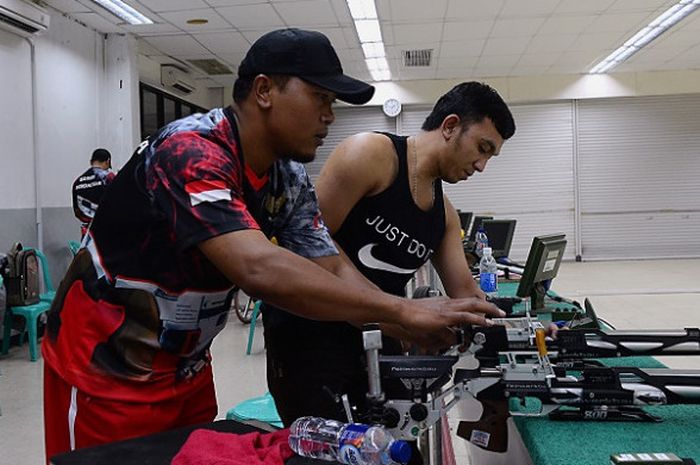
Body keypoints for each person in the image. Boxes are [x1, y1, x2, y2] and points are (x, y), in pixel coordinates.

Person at [41, 29, 502, 461]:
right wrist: (402, 312)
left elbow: (331, 265)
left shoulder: (287, 177)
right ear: (264, 91)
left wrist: (397, 320)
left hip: (185, 371)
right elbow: (256, 266)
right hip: (106, 370)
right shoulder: (191, 149)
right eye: (320, 98)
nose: (329, 115)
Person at [263, 82, 516, 428]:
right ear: (451, 126)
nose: (482, 165)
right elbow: (308, 245)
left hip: (375, 344)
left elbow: (468, 296)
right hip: (310, 339)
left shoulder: (444, 216)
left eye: (490, 155)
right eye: (482, 147)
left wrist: (518, 328)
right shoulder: (372, 156)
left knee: (392, 445)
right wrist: (403, 316)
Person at [71, 148, 116, 237]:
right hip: (108, 231)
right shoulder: (109, 178)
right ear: (108, 161)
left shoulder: (78, 182)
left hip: (87, 233)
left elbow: (77, 212)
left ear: (91, 162)